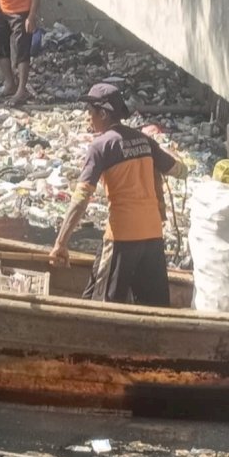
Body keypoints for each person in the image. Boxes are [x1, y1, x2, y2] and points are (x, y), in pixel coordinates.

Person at [49, 83, 188, 307]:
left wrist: (61, 242)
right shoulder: (145, 141)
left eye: (90, 112)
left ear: (103, 113)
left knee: (100, 305)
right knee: (155, 308)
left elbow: (81, 198)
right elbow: (178, 171)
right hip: (153, 235)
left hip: (122, 237)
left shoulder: (101, 147)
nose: (88, 118)